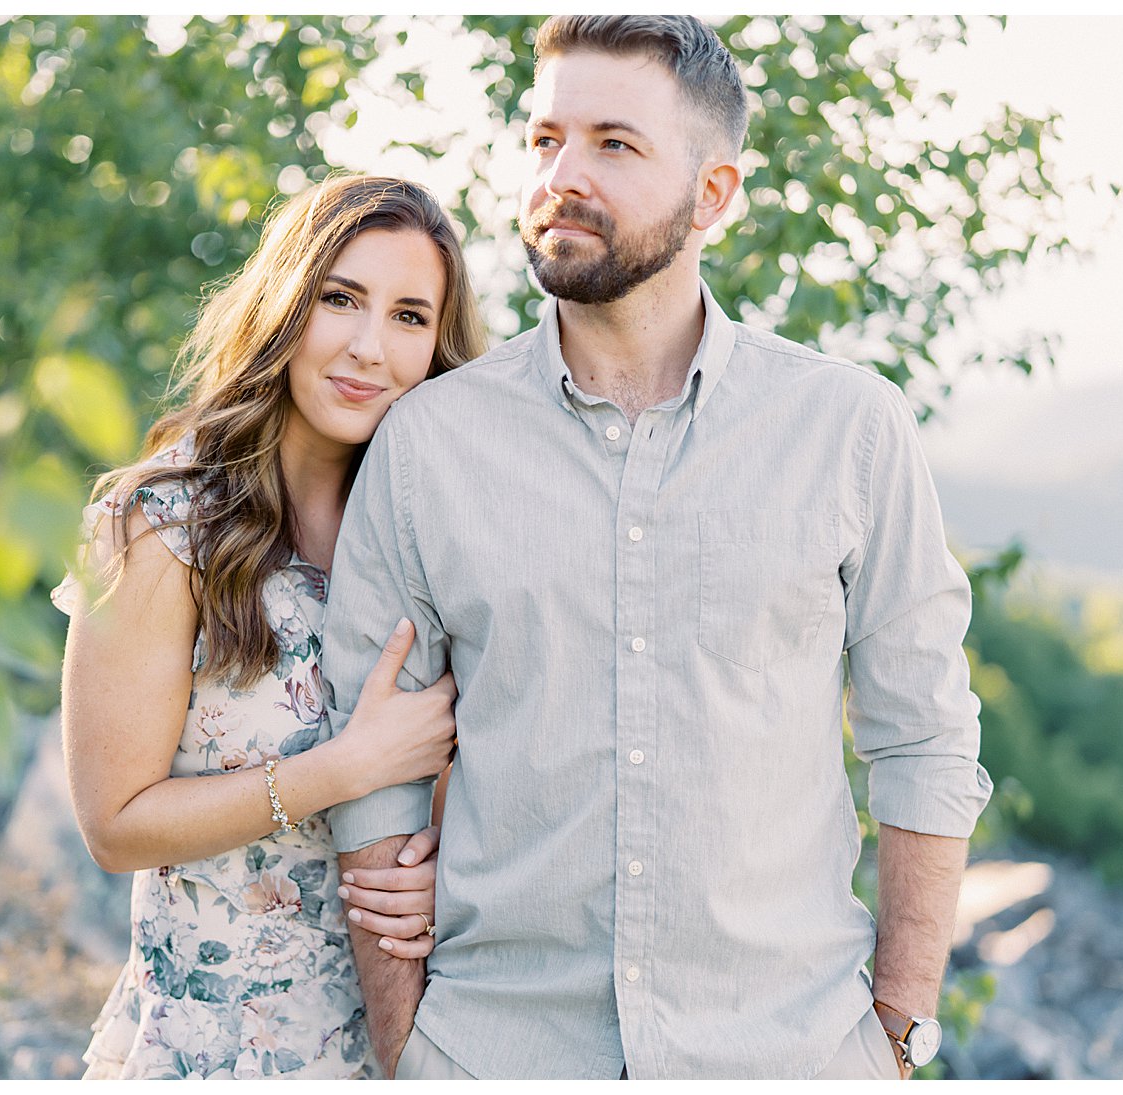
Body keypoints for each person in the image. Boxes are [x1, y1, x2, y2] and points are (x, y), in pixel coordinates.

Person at [321, 15, 993, 1081]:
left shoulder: (848, 430)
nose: (562, 176)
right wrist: (407, 1046)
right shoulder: (429, 444)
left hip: (787, 1053)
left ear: (713, 194)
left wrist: (899, 1026)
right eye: (545, 140)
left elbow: (924, 743)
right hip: (495, 1053)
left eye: (613, 145)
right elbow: (373, 772)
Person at [52, 174, 488, 1079]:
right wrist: (344, 770)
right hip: (209, 1050)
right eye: (341, 299)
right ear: (286, 304)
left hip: (405, 1044)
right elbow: (113, 824)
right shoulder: (164, 526)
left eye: (410, 317)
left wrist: (435, 862)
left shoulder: (436, 545)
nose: (369, 347)